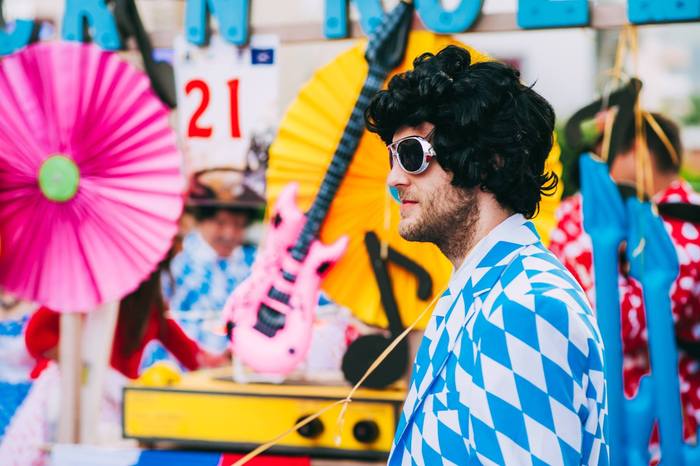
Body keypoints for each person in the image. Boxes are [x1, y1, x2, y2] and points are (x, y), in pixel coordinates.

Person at [365, 45, 608, 465]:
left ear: (488, 162)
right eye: (393, 155)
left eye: (412, 155)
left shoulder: (523, 306)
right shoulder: (493, 289)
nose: (393, 178)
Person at [550, 112, 700, 448]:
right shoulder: (649, 215)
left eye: (605, 155)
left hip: (674, 431)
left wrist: (583, 239)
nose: (601, 169)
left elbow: (623, 324)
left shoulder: (686, 228)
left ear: (636, 150)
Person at [25, 257, 225, 380]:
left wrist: (224, 359)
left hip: (115, 410)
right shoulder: (87, 291)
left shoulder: (150, 308)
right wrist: (87, 365)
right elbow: (36, 336)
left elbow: (193, 356)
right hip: (67, 402)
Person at [163, 169, 260, 352]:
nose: (229, 233)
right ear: (201, 221)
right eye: (220, 223)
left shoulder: (255, 266)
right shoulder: (178, 265)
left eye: (238, 224)